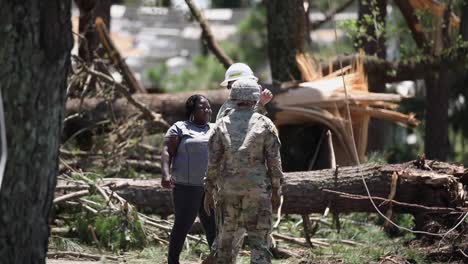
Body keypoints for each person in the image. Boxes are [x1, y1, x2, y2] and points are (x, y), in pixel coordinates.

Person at [204, 79, 284, 264]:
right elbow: (274, 161)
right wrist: (277, 189)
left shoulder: (222, 124)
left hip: (228, 190)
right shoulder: (265, 123)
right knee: (259, 241)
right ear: (255, 97)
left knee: (226, 239)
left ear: (234, 98)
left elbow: (213, 161)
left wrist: (209, 189)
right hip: (257, 190)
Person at [161, 94, 216, 264]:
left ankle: (218, 259)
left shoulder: (215, 128)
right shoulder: (180, 128)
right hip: (186, 187)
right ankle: (173, 261)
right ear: (192, 110)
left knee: (214, 227)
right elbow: (166, 151)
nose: (207, 110)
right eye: (202, 107)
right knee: (182, 225)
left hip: (210, 188)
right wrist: (166, 174)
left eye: (208, 107)